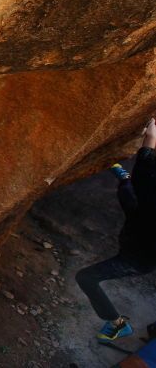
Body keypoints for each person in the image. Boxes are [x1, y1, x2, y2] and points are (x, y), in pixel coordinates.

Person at [75, 117, 156, 343]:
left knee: (86, 278)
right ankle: (123, 178)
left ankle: (117, 323)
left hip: (138, 257)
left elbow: (145, 180)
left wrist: (149, 141)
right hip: (142, 227)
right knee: (129, 195)